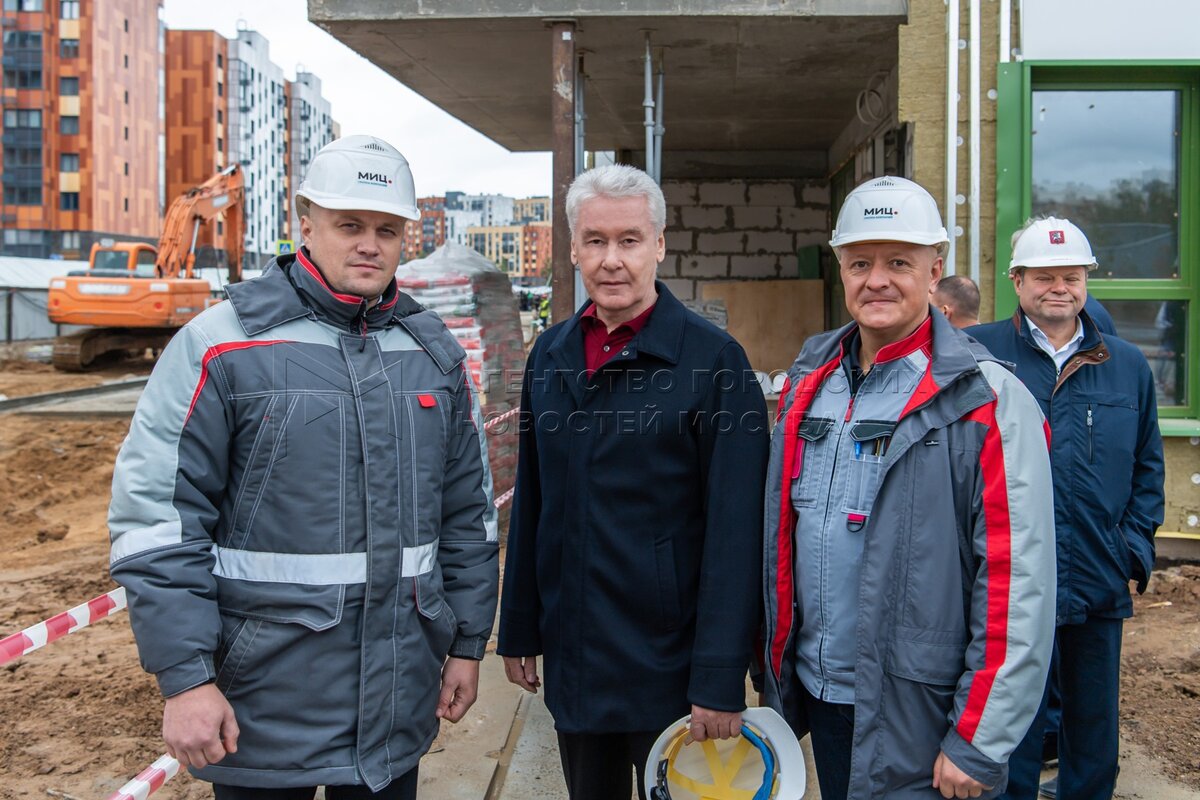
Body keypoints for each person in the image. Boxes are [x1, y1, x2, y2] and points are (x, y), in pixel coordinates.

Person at [108, 135, 499, 799]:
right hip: (258, 709)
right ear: (307, 224)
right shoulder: (221, 345)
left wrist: (466, 643)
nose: (369, 245)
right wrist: (186, 679)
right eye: (349, 226)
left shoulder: (432, 355)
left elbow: (468, 517)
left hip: (395, 709)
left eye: (386, 229)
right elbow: (157, 523)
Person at [762, 176, 1057, 800]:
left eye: (899, 262)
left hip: (927, 713)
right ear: (841, 269)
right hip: (825, 696)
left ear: (934, 271)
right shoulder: (809, 385)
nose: (877, 280)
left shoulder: (989, 400)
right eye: (860, 263)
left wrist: (979, 735)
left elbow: (1016, 581)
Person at [497, 164, 770, 800]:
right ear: (573, 249)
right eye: (595, 241)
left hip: (669, 668)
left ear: (659, 245)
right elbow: (533, 500)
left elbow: (736, 535)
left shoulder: (714, 363)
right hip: (576, 657)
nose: (612, 259)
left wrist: (720, 675)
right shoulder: (551, 354)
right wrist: (520, 626)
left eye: (629, 240)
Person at [969, 217, 1164, 800]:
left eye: (1071, 277)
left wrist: (1133, 548)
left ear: (1086, 282)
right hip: (1008, 575)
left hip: (1098, 569)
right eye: (1044, 276)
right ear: (1017, 281)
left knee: (1093, 724)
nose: (1060, 288)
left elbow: (1148, 467)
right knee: (1012, 717)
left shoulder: (1125, 363)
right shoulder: (981, 353)